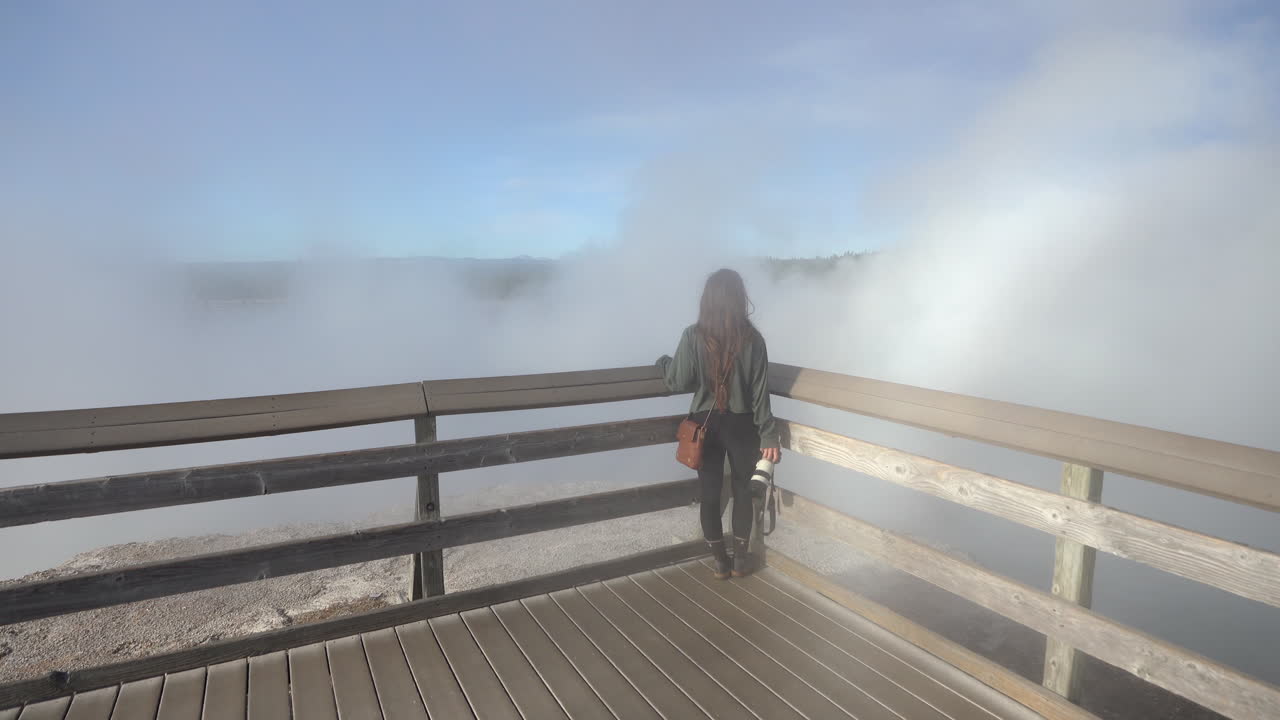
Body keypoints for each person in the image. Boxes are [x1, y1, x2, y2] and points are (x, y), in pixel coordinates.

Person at [657, 268, 781, 579]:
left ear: (707, 300)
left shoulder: (693, 335)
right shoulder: (753, 340)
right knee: (742, 491)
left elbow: (677, 380)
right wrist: (768, 435)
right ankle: (740, 560)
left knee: (710, 493)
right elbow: (760, 394)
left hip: (705, 426)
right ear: (741, 299)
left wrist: (663, 364)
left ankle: (719, 562)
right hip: (743, 425)